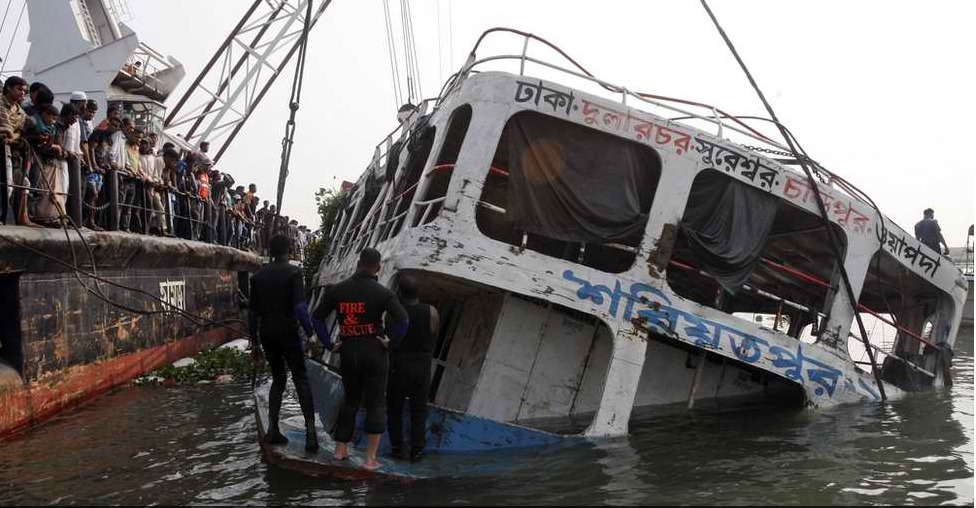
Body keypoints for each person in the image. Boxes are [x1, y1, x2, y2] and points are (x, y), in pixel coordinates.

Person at [311, 247, 409, 470]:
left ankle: (340, 451)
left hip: (348, 350)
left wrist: (329, 344)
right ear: (378, 267)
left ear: (358, 262)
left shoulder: (338, 290)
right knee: (376, 402)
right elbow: (403, 321)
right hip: (374, 351)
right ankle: (370, 460)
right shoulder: (383, 293)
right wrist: (391, 343)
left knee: (351, 399)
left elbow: (317, 318)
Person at [248, 234, 320, 452]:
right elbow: (299, 308)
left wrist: (255, 343)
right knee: (300, 378)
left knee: (278, 378)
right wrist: (311, 334)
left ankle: (273, 430)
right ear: (289, 251)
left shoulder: (257, 277)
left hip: (267, 332)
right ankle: (310, 434)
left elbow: (252, 313)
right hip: (288, 330)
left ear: (270, 251)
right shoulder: (294, 272)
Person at [386, 274, 438, 462]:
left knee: (394, 409)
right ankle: (417, 450)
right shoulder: (431, 312)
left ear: (399, 292)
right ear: (419, 292)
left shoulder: (392, 314)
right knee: (419, 411)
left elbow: (390, 337)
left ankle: (397, 448)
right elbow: (433, 336)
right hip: (422, 368)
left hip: (398, 366)